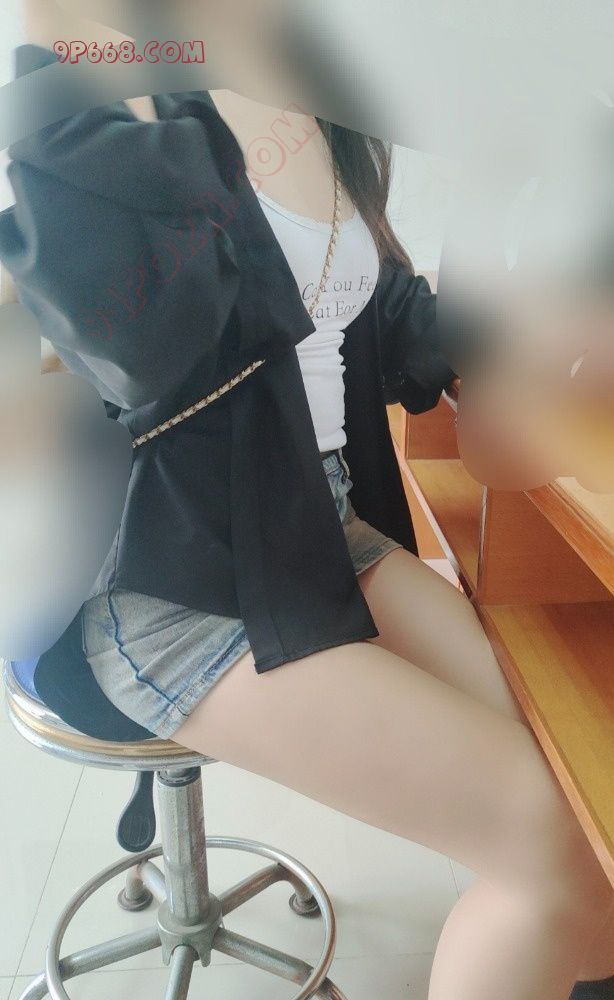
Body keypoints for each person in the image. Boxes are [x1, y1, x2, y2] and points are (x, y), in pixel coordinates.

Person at [1, 8, 613, 998]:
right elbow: (148, 340)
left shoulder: (324, 97)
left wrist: (513, 289)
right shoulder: (118, 94)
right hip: (178, 579)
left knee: (582, 794)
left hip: (319, 524)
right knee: (546, 844)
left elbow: (374, 313)